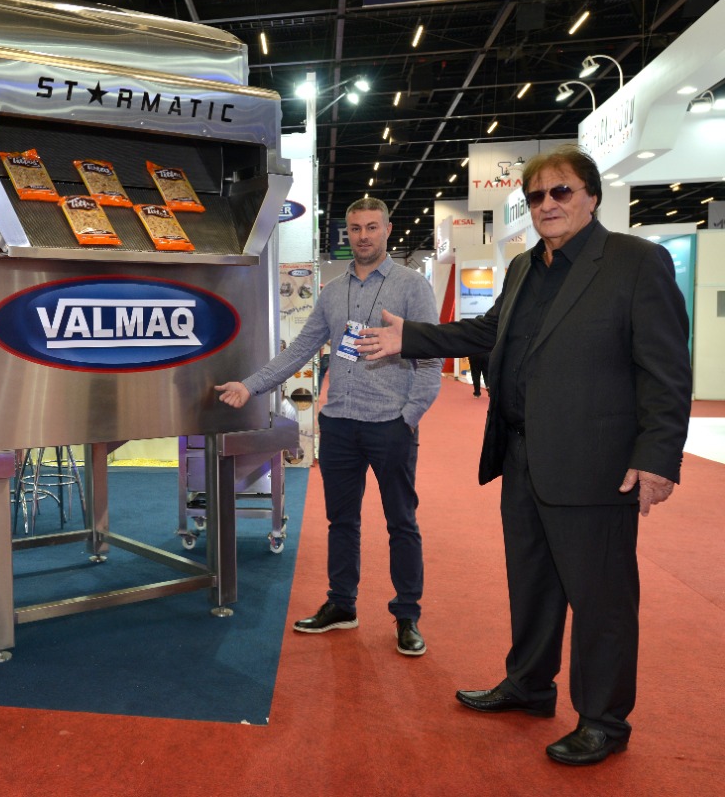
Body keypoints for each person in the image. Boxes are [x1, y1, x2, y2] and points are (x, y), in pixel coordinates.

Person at [355, 144, 691, 766]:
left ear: (591, 196)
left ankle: (604, 721)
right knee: (532, 583)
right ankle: (530, 685)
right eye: (536, 196)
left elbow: (666, 369)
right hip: (522, 457)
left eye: (560, 191)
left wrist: (658, 456)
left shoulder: (635, 262)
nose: (546, 204)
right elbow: (490, 332)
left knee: (601, 599)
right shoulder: (523, 267)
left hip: (596, 465)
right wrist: (413, 338)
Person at [215, 197, 441, 655]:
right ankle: (342, 603)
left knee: (401, 522)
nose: (363, 236)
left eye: (372, 227)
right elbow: (301, 349)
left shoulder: (412, 286)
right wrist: (250, 386)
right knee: (342, 521)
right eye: (355, 228)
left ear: (387, 230)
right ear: (346, 234)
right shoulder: (333, 291)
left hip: (390, 425)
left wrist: (409, 417)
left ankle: (407, 615)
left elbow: (432, 358)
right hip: (338, 424)